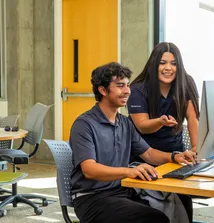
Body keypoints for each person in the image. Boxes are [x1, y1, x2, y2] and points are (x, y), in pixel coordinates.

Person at [69, 62, 196, 223]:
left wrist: (174, 157)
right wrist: (129, 171)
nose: (127, 91)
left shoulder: (124, 123)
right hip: (92, 198)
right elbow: (89, 170)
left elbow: (149, 153)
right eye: (120, 86)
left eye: (127, 85)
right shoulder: (84, 124)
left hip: (121, 192)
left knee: (180, 201)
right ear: (102, 90)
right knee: (154, 218)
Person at [127, 42, 200, 222]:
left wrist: (197, 147)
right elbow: (142, 125)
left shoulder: (186, 82)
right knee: (159, 205)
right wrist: (159, 122)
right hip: (145, 157)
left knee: (183, 197)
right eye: (162, 63)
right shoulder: (137, 89)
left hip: (176, 155)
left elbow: (193, 118)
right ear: (154, 64)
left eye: (173, 63)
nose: (168, 68)